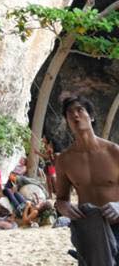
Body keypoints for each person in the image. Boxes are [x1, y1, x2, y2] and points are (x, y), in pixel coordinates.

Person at [54, 95, 119, 263]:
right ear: (67, 121)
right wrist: (65, 208)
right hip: (89, 227)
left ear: (91, 116)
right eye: (69, 113)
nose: (75, 115)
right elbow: (61, 200)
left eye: (79, 110)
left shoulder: (114, 152)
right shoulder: (64, 160)